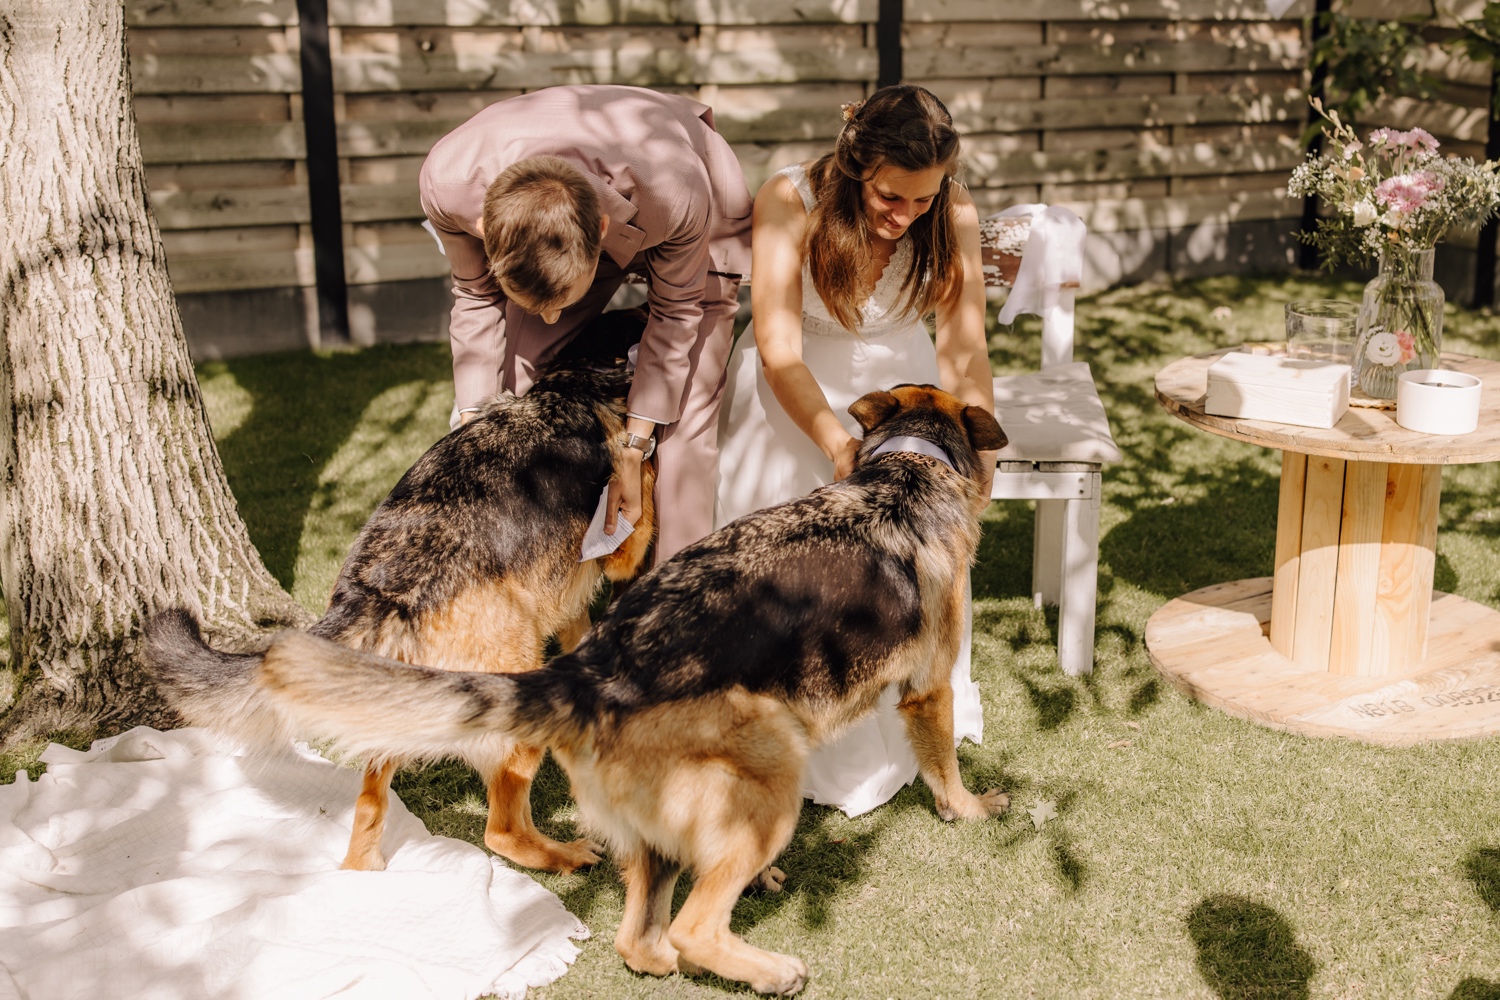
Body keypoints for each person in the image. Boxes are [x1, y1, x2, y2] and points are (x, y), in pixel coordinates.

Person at [715, 85, 998, 817]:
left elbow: (965, 347)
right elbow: (778, 349)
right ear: (852, 163)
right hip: (797, 403)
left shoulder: (953, 211)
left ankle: (908, 737)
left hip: (906, 401)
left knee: (909, 582)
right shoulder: (790, 199)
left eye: (922, 201)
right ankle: (769, 742)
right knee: (797, 580)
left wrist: (980, 452)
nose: (905, 217)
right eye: (888, 197)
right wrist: (840, 443)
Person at [419, 85, 752, 561]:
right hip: (556, 204)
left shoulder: (673, 186)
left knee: (684, 419)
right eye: (536, 304)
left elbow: (678, 312)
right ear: (485, 234)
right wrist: (474, 430)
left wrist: (633, 451)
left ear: (598, 233)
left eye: (559, 302)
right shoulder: (448, 185)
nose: (552, 319)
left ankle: (670, 597)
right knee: (513, 387)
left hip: (683, 202)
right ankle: (534, 557)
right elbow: (475, 297)